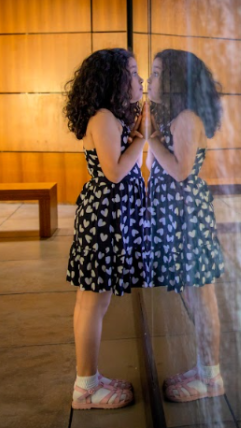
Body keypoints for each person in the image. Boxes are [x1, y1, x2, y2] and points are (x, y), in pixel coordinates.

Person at [64, 48, 148, 410]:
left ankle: (91, 378)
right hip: (103, 218)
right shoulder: (101, 118)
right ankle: (85, 387)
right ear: (114, 79)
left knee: (95, 301)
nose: (141, 79)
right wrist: (142, 139)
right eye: (133, 72)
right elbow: (115, 171)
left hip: (111, 217)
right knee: (93, 302)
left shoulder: (112, 118)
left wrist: (138, 130)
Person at [146, 49, 226, 402]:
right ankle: (203, 369)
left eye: (157, 71)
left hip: (188, 217)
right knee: (196, 295)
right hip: (179, 217)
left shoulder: (187, 119)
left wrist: (149, 141)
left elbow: (180, 170)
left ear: (176, 79)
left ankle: (210, 377)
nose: (150, 79)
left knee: (201, 295)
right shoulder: (176, 116)